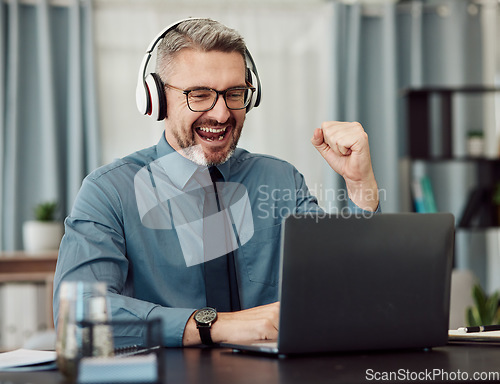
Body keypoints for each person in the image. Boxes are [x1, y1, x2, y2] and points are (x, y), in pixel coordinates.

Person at [53, 18, 380, 348]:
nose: (222, 114)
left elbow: (347, 288)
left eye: (234, 94)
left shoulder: (281, 180)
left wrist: (359, 184)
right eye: (200, 94)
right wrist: (217, 326)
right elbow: (78, 319)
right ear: (156, 100)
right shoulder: (108, 191)